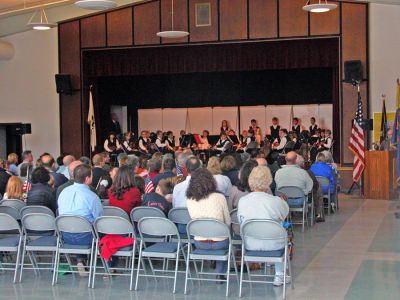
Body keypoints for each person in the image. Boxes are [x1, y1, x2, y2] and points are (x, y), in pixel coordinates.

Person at [237, 166, 289, 286]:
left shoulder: (242, 201)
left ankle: (279, 274)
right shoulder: (275, 201)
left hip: (250, 243)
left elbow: (241, 222)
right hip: (274, 244)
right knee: (281, 228)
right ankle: (280, 274)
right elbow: (285, 214)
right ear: (268, 181)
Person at [186, 168, 231, 282]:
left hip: (200, 242)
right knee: (226, 240)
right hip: (220, 242)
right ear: (211, 181)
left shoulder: (189, 199)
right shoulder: (219, 197)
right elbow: (228, 222)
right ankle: (220, 274)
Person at [58, 164, 103, 274]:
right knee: (101, 230)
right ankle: (110, 266)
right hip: (87, 238)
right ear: (87, 179)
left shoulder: (63, 192)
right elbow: (99, 219)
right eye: (92, 176)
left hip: (65, 236)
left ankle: (80, 259)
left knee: (78, 226)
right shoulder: (91, 196)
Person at [296, 155, 324, 222]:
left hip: (287, 200)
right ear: (303, 164)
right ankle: (318, 214)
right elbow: (315, 185)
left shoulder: (284, 172)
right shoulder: (307, 172)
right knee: (318, 189)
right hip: (304, 198)